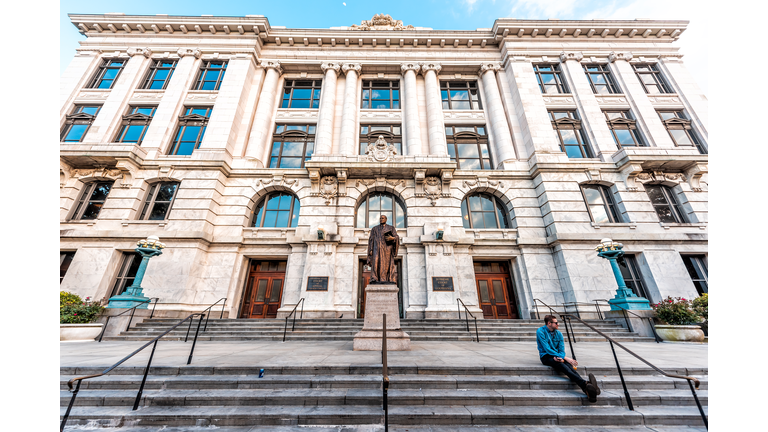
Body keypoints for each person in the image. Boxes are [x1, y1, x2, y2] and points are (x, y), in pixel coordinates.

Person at [536, 314, 601, 402]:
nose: (558, 324)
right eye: (556, 323)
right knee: (562, 365)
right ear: (549, 323)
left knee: (569, 367)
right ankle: (586, 385)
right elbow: (547, 349)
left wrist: (562, 357)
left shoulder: (558, 333)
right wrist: (565, 358)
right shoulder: (540, 331)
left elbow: (561, 349)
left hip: (559, 355)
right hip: (546, 356)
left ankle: (586, 389)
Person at [366, 214, 399, 284]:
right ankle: (374, 278)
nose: (381, 219)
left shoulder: (391, 228)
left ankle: (386, 279)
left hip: (387, 249)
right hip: (376, 249)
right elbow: (371, 239)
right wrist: (371, 249)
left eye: (383, 218)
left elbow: (396, 237)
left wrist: (392, 238)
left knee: (386, 263)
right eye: (380, 218)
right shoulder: (374, 229)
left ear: (386, 220)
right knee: (375, 263)